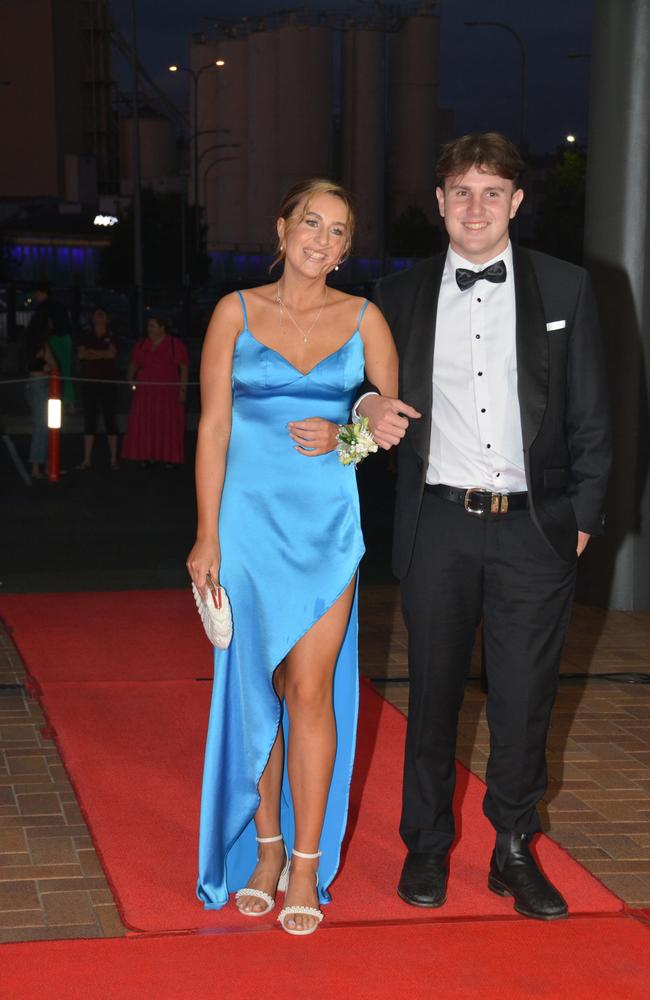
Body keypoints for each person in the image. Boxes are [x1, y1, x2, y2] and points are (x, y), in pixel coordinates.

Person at [358, 132, 611, 920]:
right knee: (431, 696)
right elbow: (348, 385)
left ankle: (512, 850)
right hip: (438, 525)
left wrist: (583, 520)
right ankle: (426, 848)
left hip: (535, 529)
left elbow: (596, 413)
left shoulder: (567, 289)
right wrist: (364, 406)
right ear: (439, 203)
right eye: (461, 191)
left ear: (516, 202)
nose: (476, 207)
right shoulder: (396, 296)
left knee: (526, 700)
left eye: (491, 192)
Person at [186, 179, 399, 936]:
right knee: (260, 689)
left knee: (309, 690)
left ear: (347, 249)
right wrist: (207, 535)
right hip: (244, 528)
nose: (323, 240)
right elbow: (213, 428)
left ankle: (307, 863)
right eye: (312, 223)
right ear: (282, 227)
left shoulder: (366, 319)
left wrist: (343, 435)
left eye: (339, 232)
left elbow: (387, 423)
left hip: (323, 528)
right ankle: (266, 851)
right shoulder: (233, 313)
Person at [121, 315, 189, 467]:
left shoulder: (174, 344)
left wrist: (183, 390)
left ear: (162, 328)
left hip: (167, 391)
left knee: (168, 423)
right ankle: (146, 454)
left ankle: (168, 456)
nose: (148, 329)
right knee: (146, 422)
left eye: (152, 325)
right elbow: (134, 362)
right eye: (149, 326)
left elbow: (183, 367)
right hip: (145, 391)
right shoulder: (142, 344)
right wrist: (130, 378)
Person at [77, 308, 119, 470]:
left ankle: (113, 459)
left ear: (107, 319)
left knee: (110, 420)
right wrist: (102, 353)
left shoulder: (112, 335)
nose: (99, 316)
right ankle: (87, 459)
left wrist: (92, 352)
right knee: (90, 419)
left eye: (103, 314)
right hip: (89, 383)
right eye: (97, 314)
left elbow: (112, 355)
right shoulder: (86, 335)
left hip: (108, 382)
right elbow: (81, 355)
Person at [24, 313, 59, 479]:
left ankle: (43, 464)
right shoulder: (42, 345)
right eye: (50, 324)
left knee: (43, 425)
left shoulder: (28, 344)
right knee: (42, 426)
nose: (52, 327)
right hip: (39, 385)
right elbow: (53, 365)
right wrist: (48, 367)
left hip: (32, 384)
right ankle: (37, 466)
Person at [33, 283, 76, 412]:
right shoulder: (60, 305)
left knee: (53, 370)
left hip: (54, 339)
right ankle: (70, 402)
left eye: (37, 293)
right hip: (66, 338)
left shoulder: (43, 306)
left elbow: (44, 325)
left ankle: (54, 401)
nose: (35, 296)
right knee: (67, 371)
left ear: (44, 292)